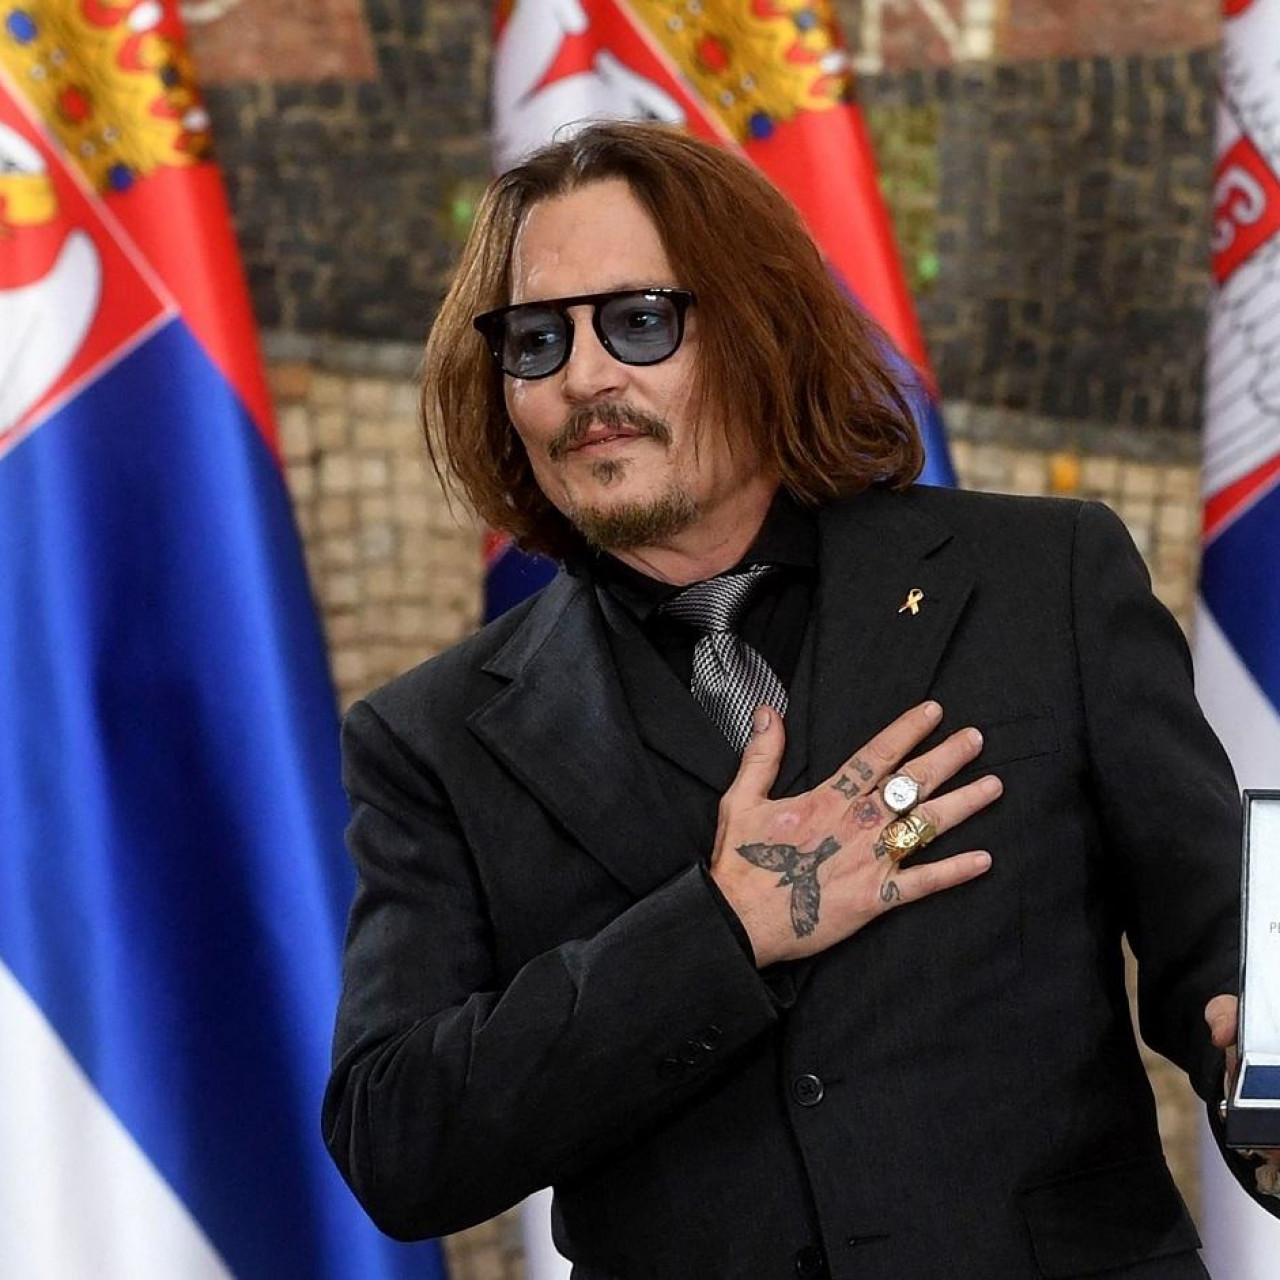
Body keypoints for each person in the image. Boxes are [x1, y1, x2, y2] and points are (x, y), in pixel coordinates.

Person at [323, 122, 1268, 1279]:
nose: (583, 378)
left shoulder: (1042, 579)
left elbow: (1220, 950)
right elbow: (397, 1136)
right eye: (536, 339)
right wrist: (722, 930)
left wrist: (1261, 1076)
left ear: (760, 329)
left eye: (638, 321)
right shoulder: (430, 737)